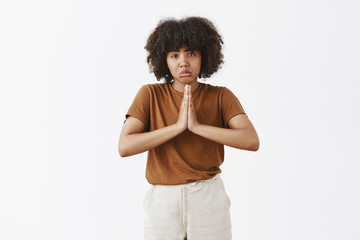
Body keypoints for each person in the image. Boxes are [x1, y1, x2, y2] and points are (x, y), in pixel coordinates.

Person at [118, 16, 259, 240]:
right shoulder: (150, 95)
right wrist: (176, 127)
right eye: (175, 55)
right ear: (165, 60)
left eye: (191, 53)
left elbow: (251, 140)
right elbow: (125, 146)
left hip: (208, 196)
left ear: (204, 56)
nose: (183, 62)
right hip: (163, 199)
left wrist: (196, 127)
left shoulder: (221, 95)